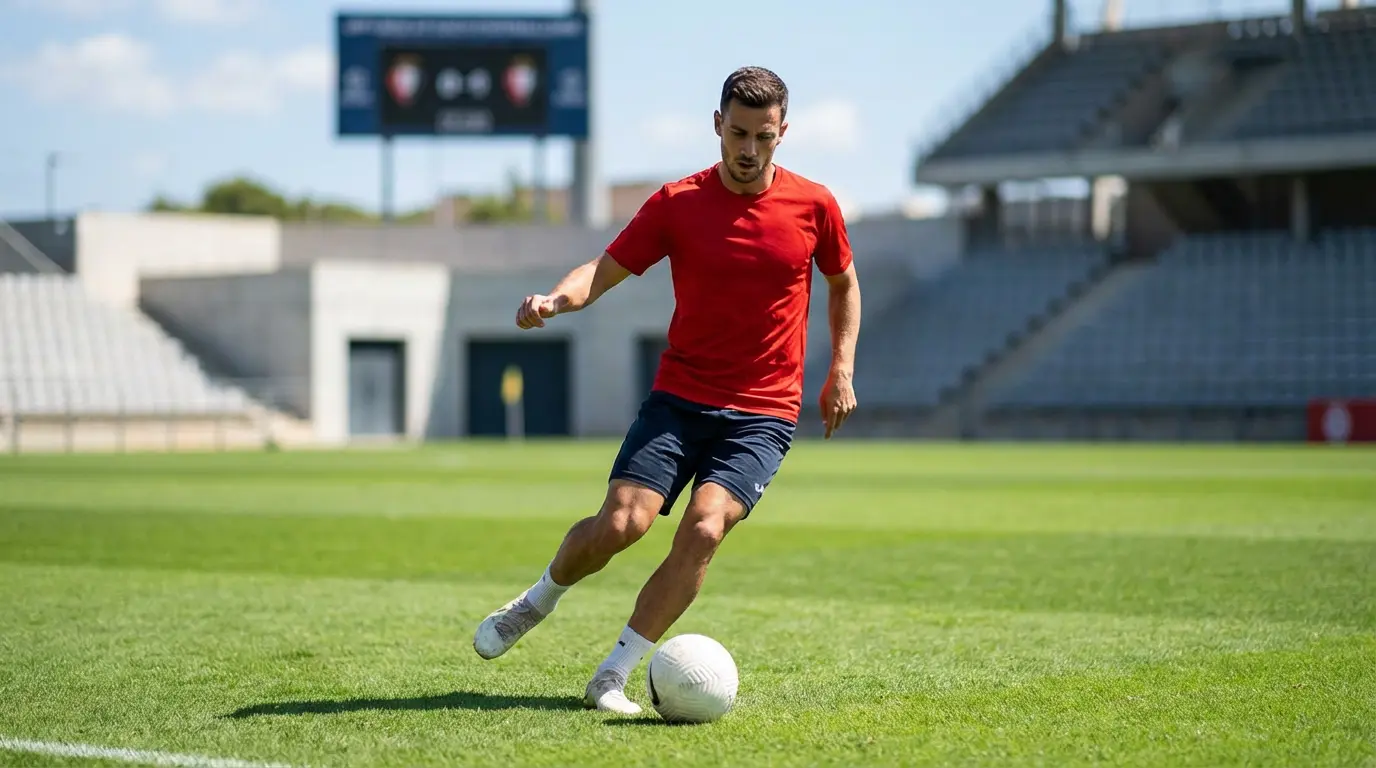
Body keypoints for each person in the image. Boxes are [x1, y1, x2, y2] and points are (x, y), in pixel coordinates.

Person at [472, 65, 862, 714]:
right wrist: (555, 300)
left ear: (781, 134)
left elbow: (844, 285)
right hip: (680, 399)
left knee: (705, 528)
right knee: (623, 524)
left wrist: (841, 369)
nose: (746, 148)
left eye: (761, 136)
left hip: (762, 411)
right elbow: (605, 268)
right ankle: (537, 600)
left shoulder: (815, 205)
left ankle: (612, 675)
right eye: (736, 132)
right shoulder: (678, 203)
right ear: (717, 125)